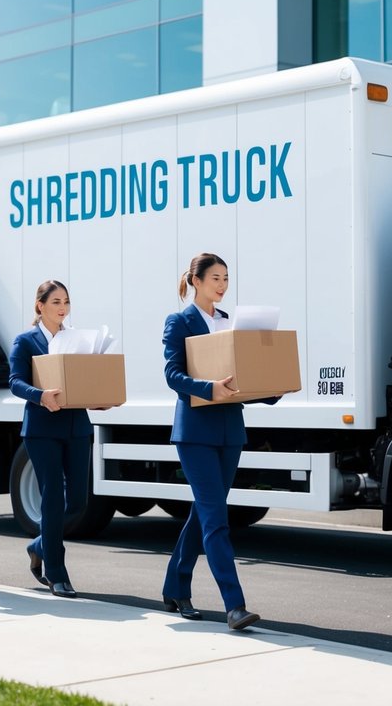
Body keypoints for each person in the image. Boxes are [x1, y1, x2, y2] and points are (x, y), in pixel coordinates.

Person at [161, 252, 275, 631]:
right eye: (216, 278)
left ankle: (174, 585)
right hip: (195, 433)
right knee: (216, 519)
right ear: (196, 281)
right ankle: (234, 605)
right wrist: (209, 388)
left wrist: (269, 384)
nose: (223, 285)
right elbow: (173, 376)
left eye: (226, 278)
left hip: (230, 431)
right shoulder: (179, 321)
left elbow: (243, 377)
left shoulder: (231, 324)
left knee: (203, 514)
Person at [8, 280, 93, 599]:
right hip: (42, 429)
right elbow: (15, 382)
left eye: (66, 301)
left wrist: (97, 395)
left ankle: (39, 545)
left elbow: (85, 378)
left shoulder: (77, 339)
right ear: (40, 305)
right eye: (56, 301)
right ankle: (56, 572)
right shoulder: (26, 341)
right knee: (53, 498)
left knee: (78, 502)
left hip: (77, 428)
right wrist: (40, 395)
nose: (62, 307)